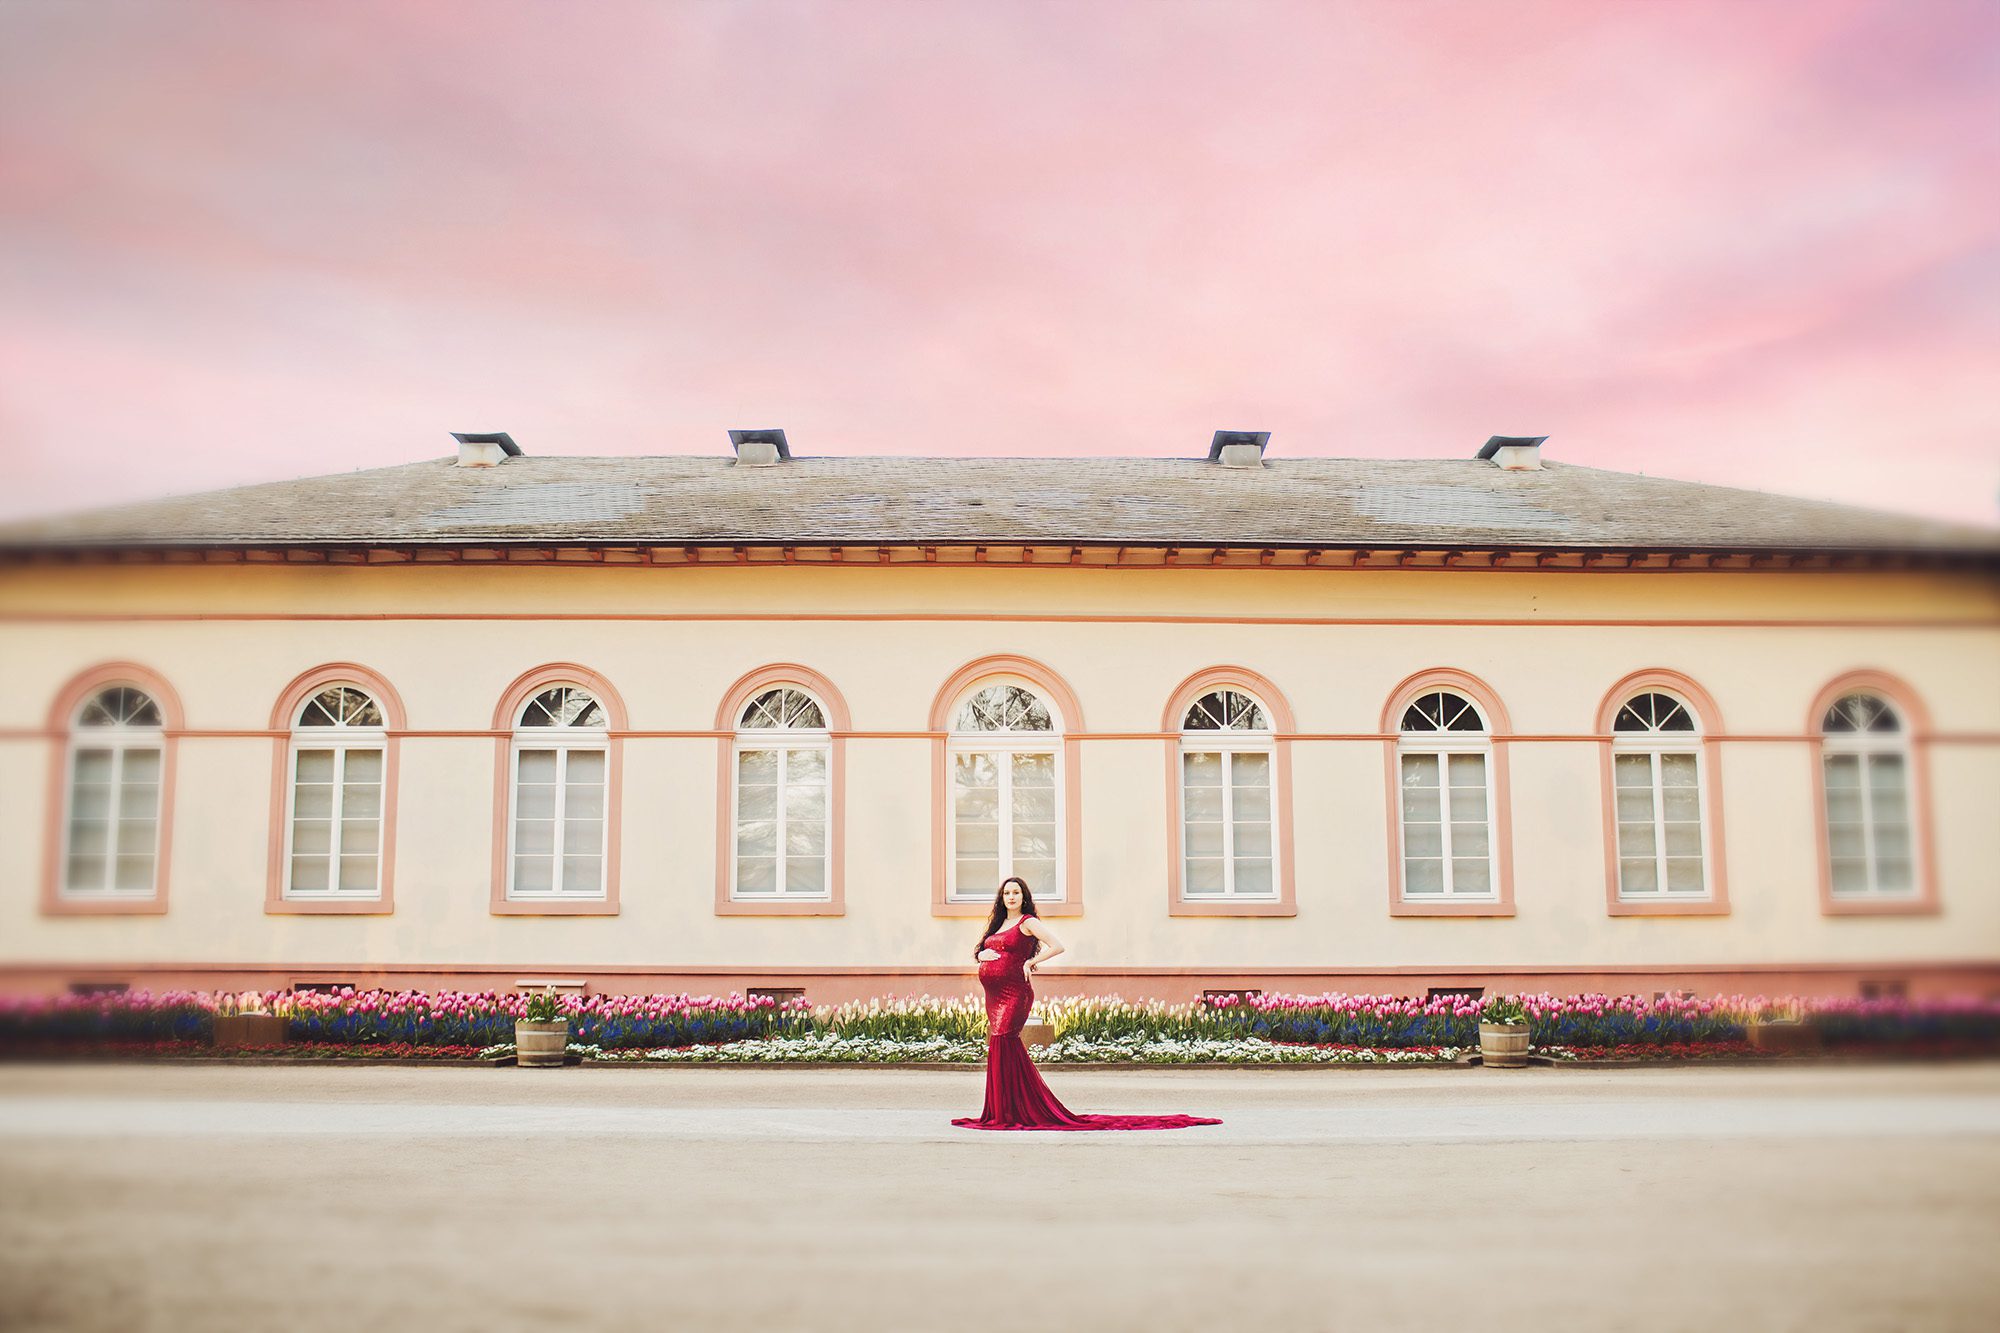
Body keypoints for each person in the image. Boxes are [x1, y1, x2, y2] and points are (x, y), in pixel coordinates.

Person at [951, 876, 1221, 1132]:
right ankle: (1002, 1110)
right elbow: (988, 951)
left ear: (1024, 897)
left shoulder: (1028, 922)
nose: (1011, 896)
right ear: (1001, 897)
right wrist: (983, 954)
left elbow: (1057, 946)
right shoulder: (997, 924)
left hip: (1015, 994)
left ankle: (1016, 1110)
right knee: (1000, 1044)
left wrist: (1031, 961)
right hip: (994, 997)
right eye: (1007, 893)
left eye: (1016, 892)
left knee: (1004, 1041)